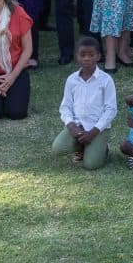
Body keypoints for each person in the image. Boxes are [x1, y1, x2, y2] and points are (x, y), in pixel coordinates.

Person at [52, 36, 115, 167]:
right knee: (58, 149)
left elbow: (111, 110)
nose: (86, 58)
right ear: (77, 57)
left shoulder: (106, 80)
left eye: (91, 55)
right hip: (77, 126)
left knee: (91, 165)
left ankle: (103, 148)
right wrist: (72, 126)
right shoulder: (72, 80)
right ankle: (82, 147)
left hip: (97, 129)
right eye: (83, 55)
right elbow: (65, 107)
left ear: (98, 56)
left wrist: (93, 132)